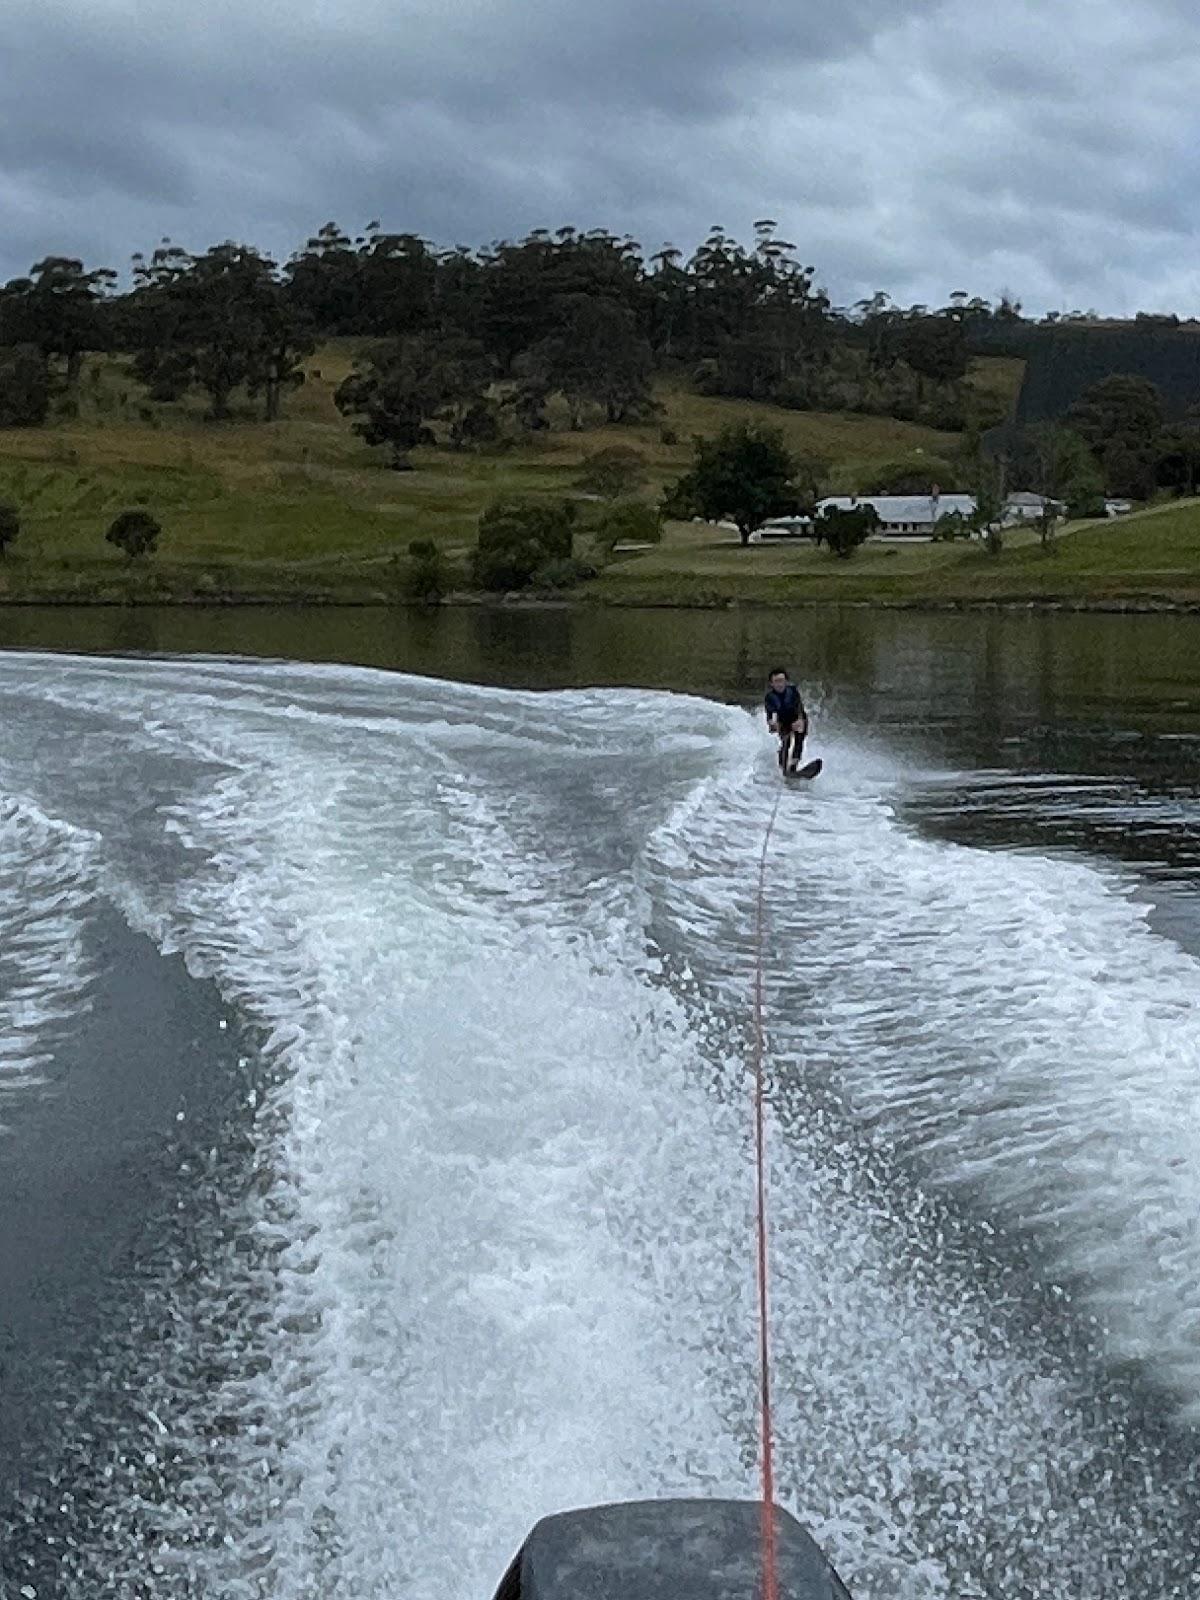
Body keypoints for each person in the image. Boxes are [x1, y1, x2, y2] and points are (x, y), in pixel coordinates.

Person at [764, 667, 808, 774]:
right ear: (771, 684)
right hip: (783, 722)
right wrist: (772, 723)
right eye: (776, 682)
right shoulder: (770, 697)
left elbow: (799, 707)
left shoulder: (792, 691)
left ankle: (794, 764)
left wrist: (800, 720)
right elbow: (770, 713)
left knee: (799, 736)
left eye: (781, 681)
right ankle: (783, 769)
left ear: (786, 681)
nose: (780, 684)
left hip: (796, 718)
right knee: (785, 742)